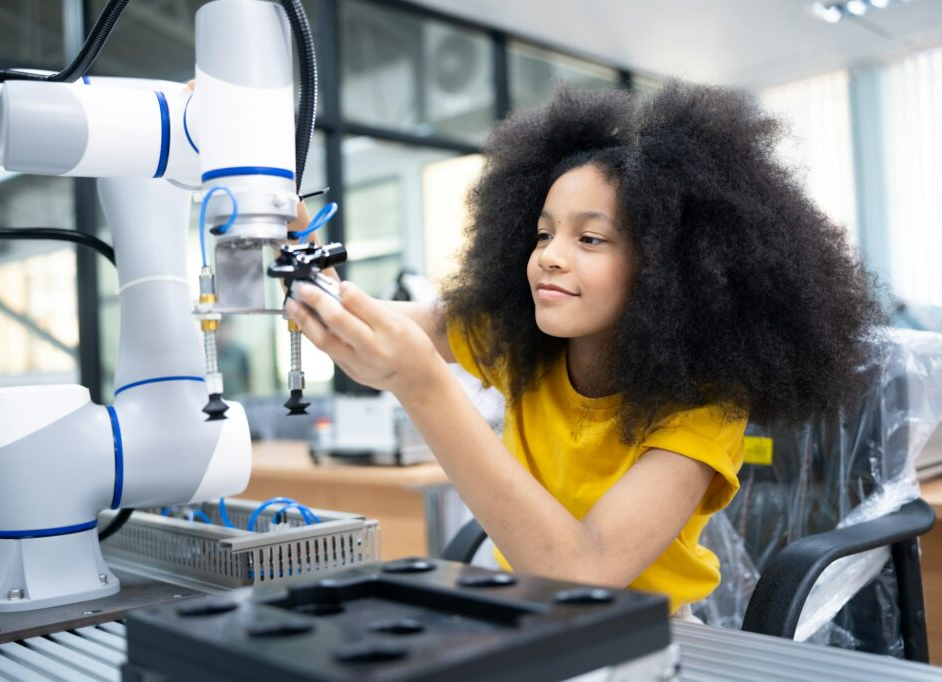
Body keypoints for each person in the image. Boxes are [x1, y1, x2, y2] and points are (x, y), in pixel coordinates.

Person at [285, 81, 884, 617]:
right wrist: (305, 268)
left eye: (589, 238)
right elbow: (376, 319)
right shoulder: (520, 340)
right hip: (530, 616)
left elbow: (585, 572)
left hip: (646, 639)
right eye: (544, 232)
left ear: (666, 269)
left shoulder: (703, 408)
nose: (551, 254)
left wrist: (422, 384)